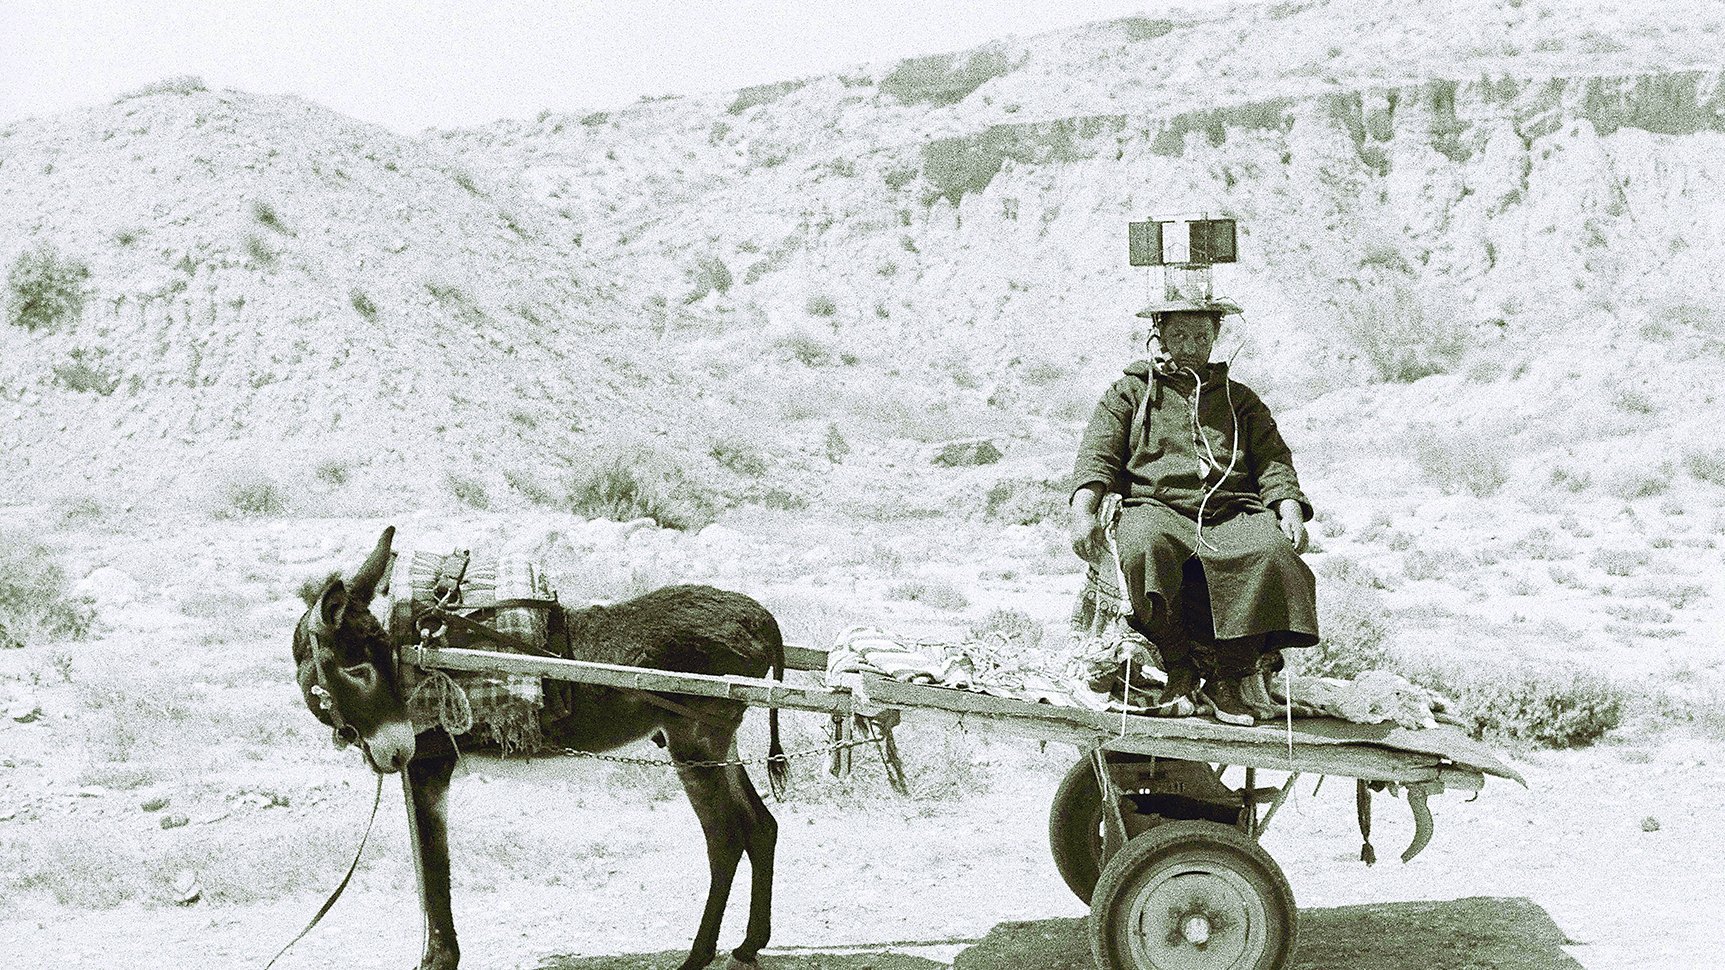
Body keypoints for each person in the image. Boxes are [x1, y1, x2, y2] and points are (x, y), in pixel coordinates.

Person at [1068, 298, 1319, 724]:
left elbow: (1274, 459)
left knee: (1272, 552)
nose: (1189, 346)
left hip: (1230, 512)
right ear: (1160, 335)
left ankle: (1227, 679)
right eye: (1179, 335)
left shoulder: (1239, 400)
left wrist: (1289, 508)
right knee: (1143, 544)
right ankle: (1179, 669)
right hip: (1156, 507)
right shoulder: (1129, 392)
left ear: (1216, 336)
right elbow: (1097, 456)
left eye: (1201, 336)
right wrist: (1082, 512)